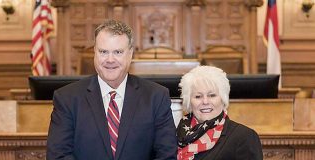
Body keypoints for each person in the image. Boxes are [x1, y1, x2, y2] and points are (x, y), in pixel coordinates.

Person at [46, 19, 177, 160]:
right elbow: (58, 156)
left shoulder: (156, 97)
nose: (110, 60)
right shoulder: (67, 98)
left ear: (130, 54)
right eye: (103, 52)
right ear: (94, 53)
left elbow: (166, 155)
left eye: (118, 52)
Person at [176, 66, 263, 160]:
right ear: (189, 102)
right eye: (198, 96)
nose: (205, 101)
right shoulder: (176, 134)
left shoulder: (244, 137)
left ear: (223, 99)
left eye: (212, 95)